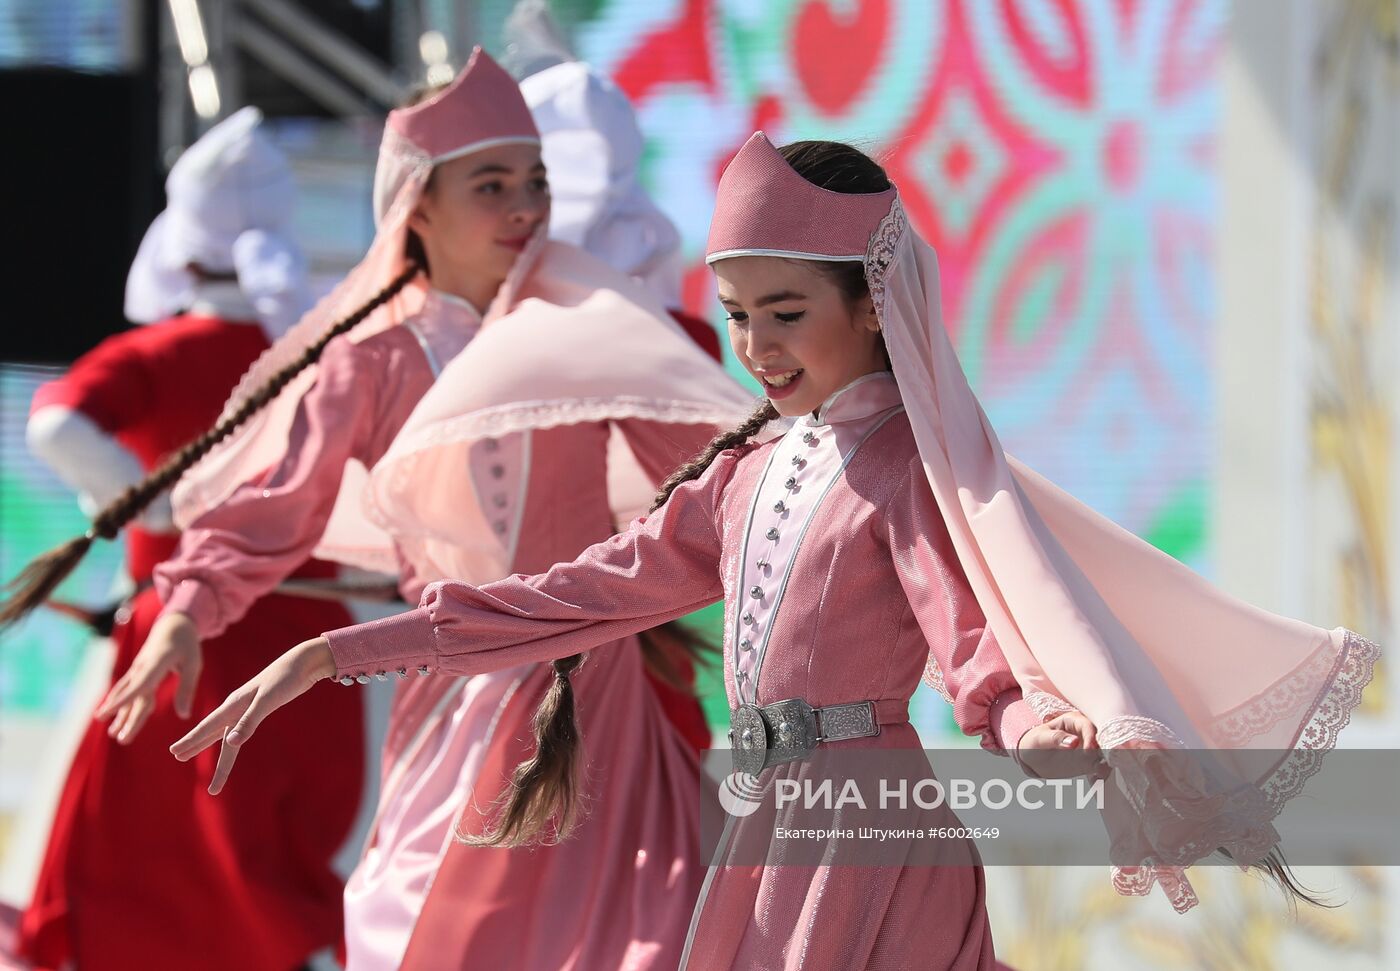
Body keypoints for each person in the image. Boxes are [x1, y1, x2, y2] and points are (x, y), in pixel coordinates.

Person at [98, 49, 749, 970]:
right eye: (491, 184)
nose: (525, 207)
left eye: (534, 181)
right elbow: (275, 511)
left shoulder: (584, 334)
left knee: (634, 931)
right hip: (454, 693)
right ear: (419, 206)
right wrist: (189, 607)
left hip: (589, 688)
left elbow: (704, 482)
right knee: (426, 929)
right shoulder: (371, 364)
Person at [17, 107, 364, 971]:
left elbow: (55, 425)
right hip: (304, 648)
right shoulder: (318, 360)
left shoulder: (158, 354)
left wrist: (150, 505)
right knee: (269, 865)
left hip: (179, 651)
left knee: (154, 867)